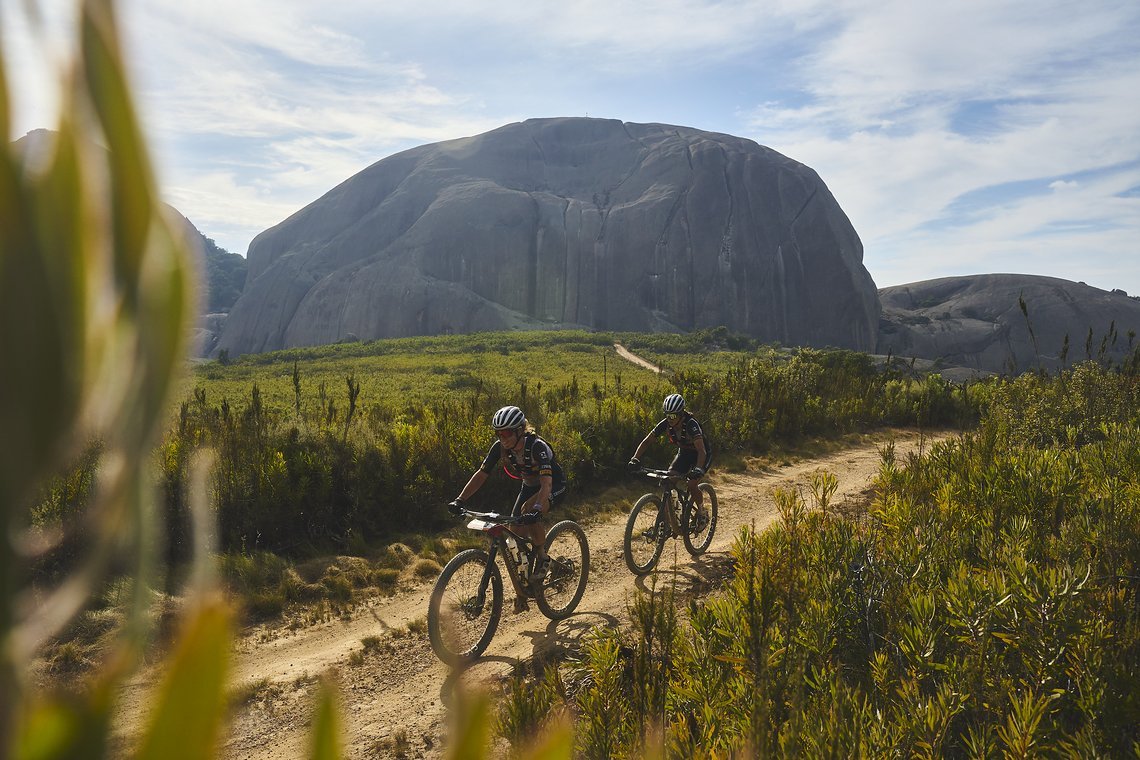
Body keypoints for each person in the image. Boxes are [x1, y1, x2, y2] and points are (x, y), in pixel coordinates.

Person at [448, 405, 565, 611]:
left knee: (529, 511)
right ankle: (524, 588)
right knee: (512, 538)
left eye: (507, 432)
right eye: (499, 433)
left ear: (520, 430)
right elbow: (481, 474)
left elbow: (546, 484)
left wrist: (537, 508)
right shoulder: (499, 448)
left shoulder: (537, 446)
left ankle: (544, 558)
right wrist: (460, 499)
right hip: (529, 486)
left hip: (553, 484)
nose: (503, 438)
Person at [628, 393, 712, 516]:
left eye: (673, 415)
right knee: (669, 480)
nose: (670, 419)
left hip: (701, 455)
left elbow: (701, 450)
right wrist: (635, 458)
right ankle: (673, 515)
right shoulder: (665, 423)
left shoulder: (691, 424)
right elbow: (646, 442)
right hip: (684, 454)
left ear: (681, 413)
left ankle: (701, 511)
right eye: (667, 415)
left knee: (692, 484)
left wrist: (698, 469)